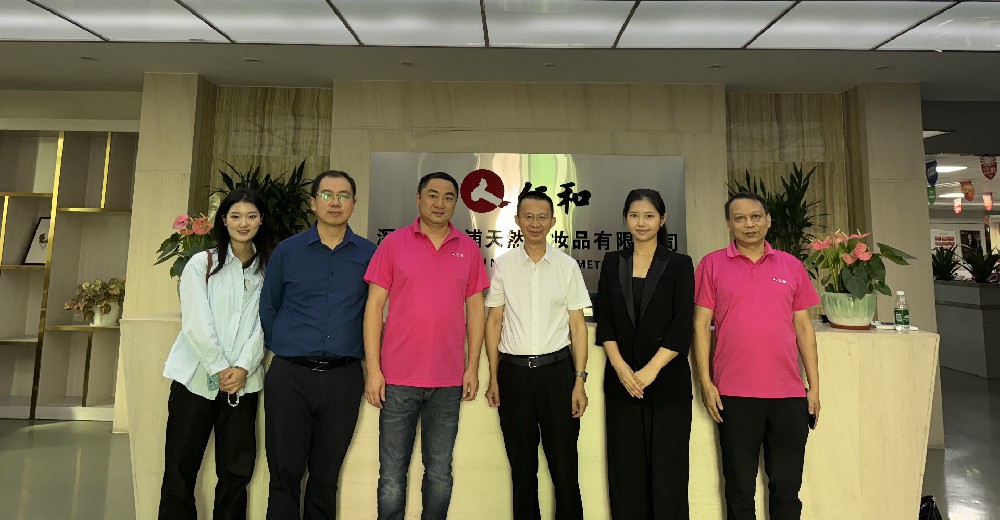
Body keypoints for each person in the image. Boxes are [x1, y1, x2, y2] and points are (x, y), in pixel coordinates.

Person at [363, 171, 489, 520]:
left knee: (439, 474)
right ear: (418, 199)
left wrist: (472, 367)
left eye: (448, 197)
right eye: (432, 195)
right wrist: (374, 371)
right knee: (391, 475)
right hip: (397, 379)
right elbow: (373, 308)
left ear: (456, 204)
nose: (440, 203)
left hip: (448, 380)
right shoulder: (393, 244)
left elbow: (476, 311)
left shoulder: (468, 248)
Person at [692, 192, 821, 520]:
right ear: (728, 224)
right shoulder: (711, 264)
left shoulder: (791, 266)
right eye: (740, 218)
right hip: (734, 394)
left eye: (755, 216)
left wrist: (814, 388)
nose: (748, 224)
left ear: (768, 220)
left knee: (787, 489)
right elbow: (700, 325)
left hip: (789, 394)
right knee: (739, 489)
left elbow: (804, 328)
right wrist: (705, 382)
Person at [259, 170, 376, 519]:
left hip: (343, 378)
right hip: (290, 376)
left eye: (343, 196)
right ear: (313, 202)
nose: (335, 202)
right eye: (326, 195)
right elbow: (269, 306)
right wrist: (287, 344)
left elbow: (376, 311)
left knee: (325, 477)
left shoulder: (370, 254)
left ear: (354, 204)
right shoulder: (287, 251)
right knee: (284, 474)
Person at [159, 187, 274, 520]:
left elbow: (265, 324)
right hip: (196, 381)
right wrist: (221, 367)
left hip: (243, 384)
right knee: (180, 468)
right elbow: (195, 323)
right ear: (223, 220)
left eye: (251, 216)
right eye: (235, 216)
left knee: (236, 471)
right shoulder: (201, 264)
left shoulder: (269, 269)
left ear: (261, 220)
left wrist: (243, 366)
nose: (243, 223)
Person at [484, 190, 591, 520]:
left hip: (557, 373)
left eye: (542, 217)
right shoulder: (503, 265)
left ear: (552, 222)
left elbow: (578, 326)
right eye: (528, 216)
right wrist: (494, 377)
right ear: (517, 220)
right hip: (514, 375)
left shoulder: (567, 266)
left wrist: (579, 380)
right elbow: (494, 321)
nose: (535, 223)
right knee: (522, 468)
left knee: (565, 467)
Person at [594, 189, 695, 519]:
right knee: (626, 473)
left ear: (662, 219)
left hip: (667, 384)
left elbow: (682, 323)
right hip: (622, 384)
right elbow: (605, 319)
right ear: (625, 218)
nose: (641, 222)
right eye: (634, 215)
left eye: (649, 216)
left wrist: (652, 369)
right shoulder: (613, 261)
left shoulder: (679, 264)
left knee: (669, 474)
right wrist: (620, 367)